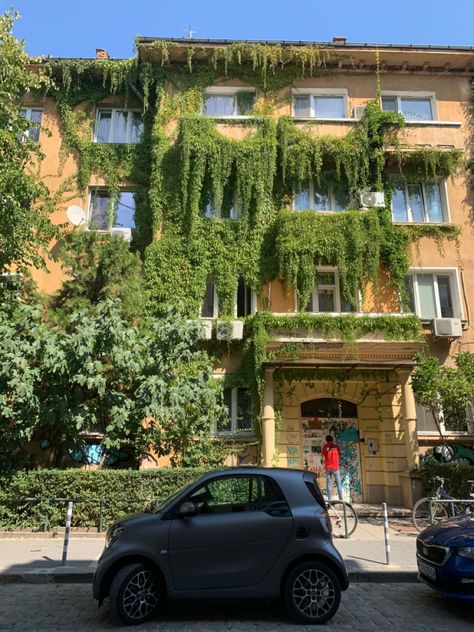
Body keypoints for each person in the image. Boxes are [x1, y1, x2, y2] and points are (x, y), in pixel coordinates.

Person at [322, 435, 343, 501]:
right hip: (336, 468)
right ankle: (341, 500)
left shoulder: (325, 447)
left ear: (326, 440)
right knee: (339, 484)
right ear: (332, 440)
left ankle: (330, 501)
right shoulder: (336, 447)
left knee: (329, 484)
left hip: (328, 468)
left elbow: (323, 459)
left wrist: (325, 461)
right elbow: (339, 455)